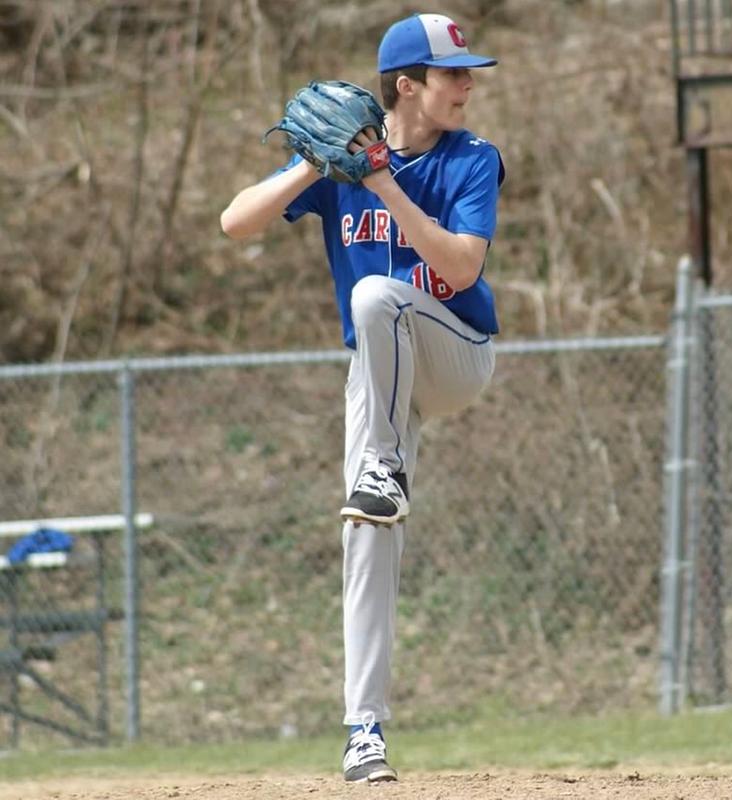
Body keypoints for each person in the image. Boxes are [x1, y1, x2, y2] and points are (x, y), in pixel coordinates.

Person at [220, 12, 504, 784]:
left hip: (453, 353)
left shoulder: (472, 160)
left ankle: (383, 467)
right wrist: (316, 165)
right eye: (453, 74)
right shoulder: (342, 164)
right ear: (406, 85)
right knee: (364, 531)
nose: (467, 85)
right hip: (378, 373)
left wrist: (381, 183)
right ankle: (363, 731)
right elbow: (235, 223)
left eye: (467, 72)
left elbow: (463, 268)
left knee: (379, 295)